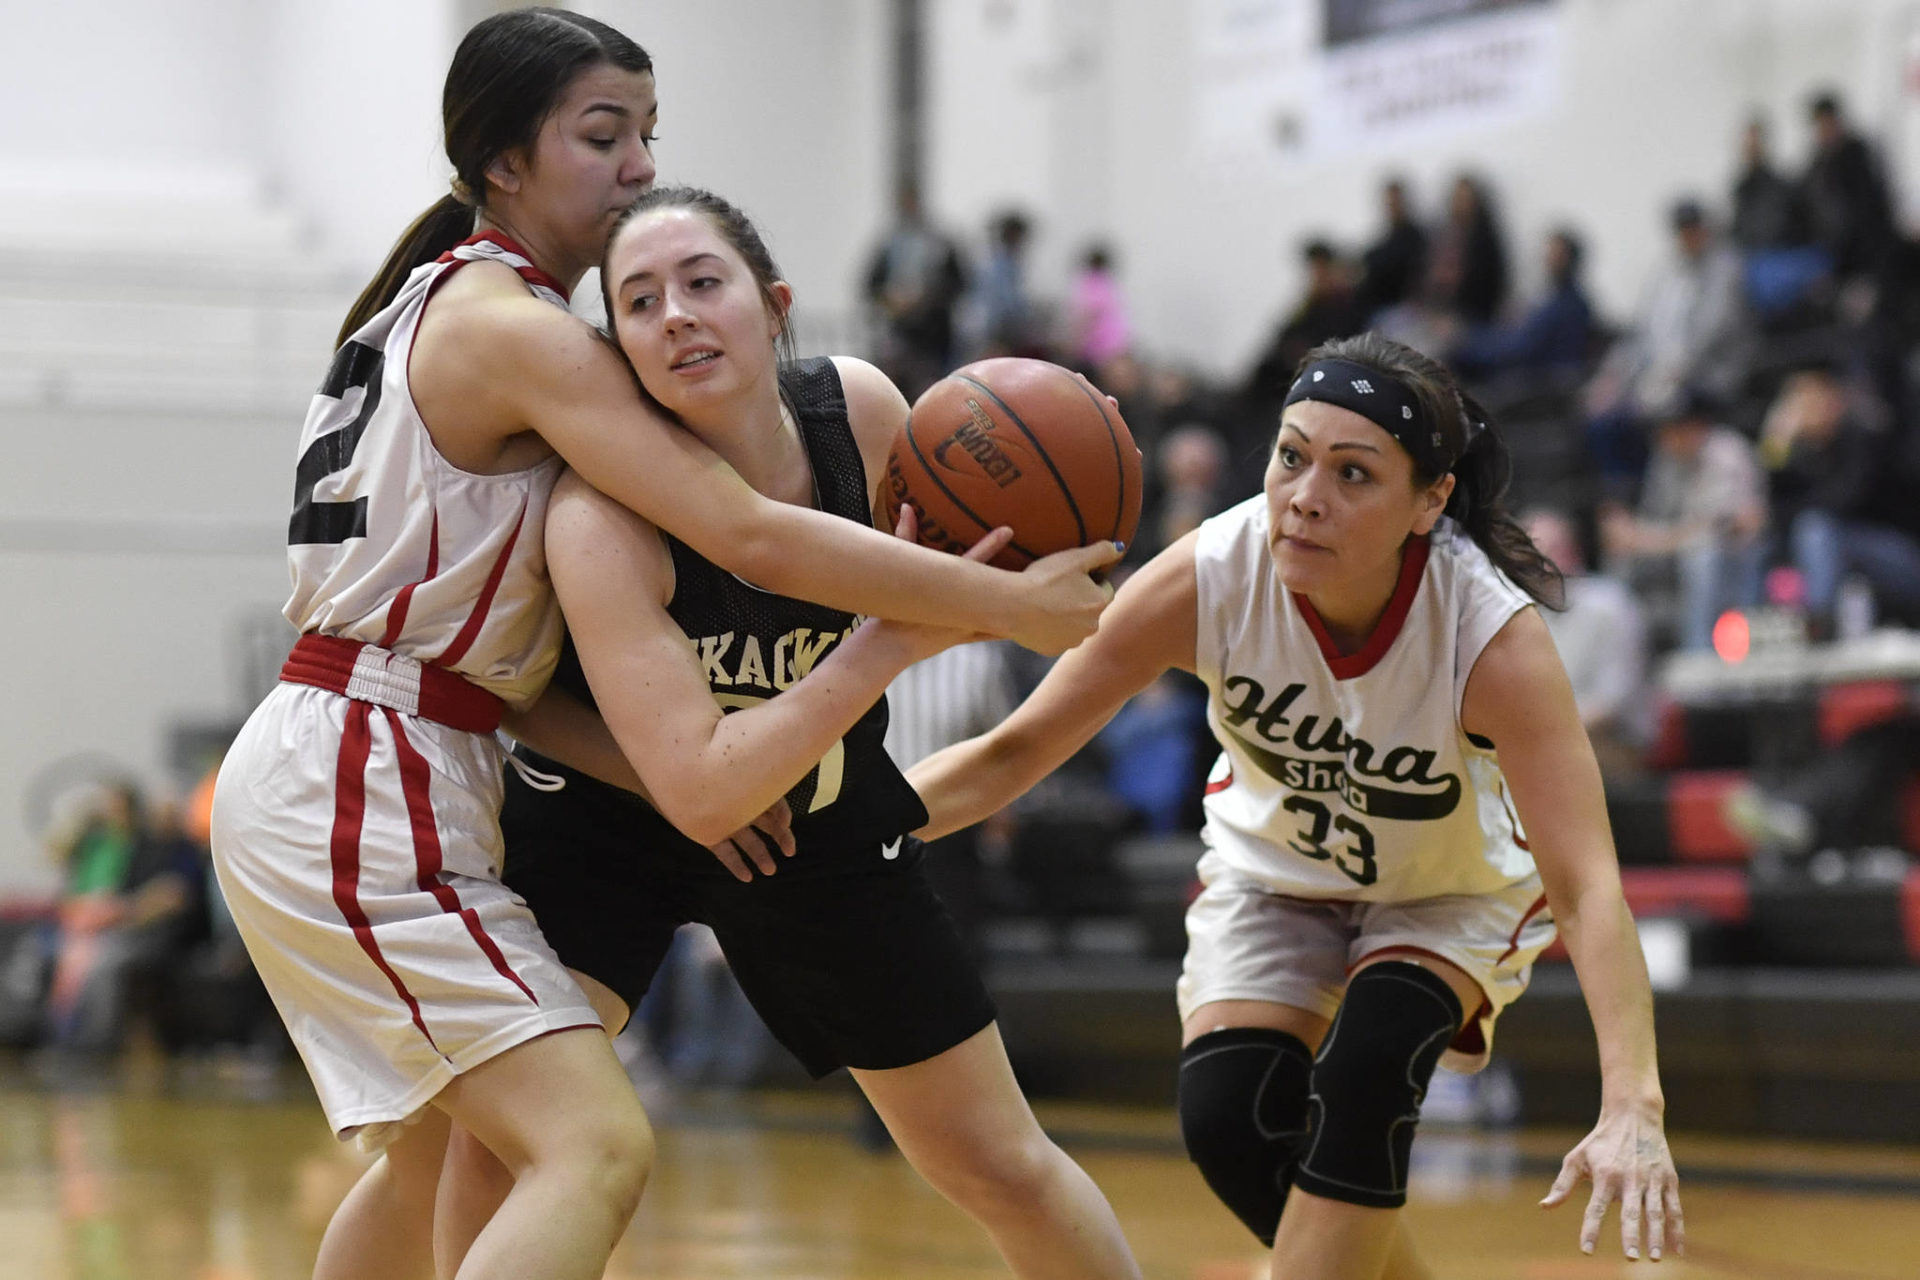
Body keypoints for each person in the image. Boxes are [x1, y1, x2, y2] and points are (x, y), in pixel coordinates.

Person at [208, 12, 1111, 1280]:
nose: (637, 162)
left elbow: (496, 680)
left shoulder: (455, 307)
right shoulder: (526, 335)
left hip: (429, 742)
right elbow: (752, 534)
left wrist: (684, 767)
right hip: (378, 766)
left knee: (434, 1156)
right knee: (581, 1150)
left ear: (772, 304)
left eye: (647, 136)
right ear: (502, 160)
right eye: (602, 134)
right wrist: (1002, 606)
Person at [910, 332, 1684, 1276]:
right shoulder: (1211, 572)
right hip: (1274, 874)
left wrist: (1632, 1104)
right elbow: (1013, 750)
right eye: (1290, 457)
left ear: (1429, 501)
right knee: (1232, 1121)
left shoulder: (1490, 637)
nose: (1305, 496)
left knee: (1371, 1068)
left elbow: (1588, 884)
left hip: (1446, 892)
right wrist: (836, 827)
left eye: (1353, 473)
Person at [484, 186, 1139, 1279]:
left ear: (774, 304)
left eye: (703, 282)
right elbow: (699, 787)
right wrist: (887, 643)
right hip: (609, 814)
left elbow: (967, 578)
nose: (677, 314)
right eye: (639, 302)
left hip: (815, 810)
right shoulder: (596, 514)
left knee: (1000, 1161)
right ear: (619, 353)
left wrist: (1043, 565)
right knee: (506, 1157)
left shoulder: (865, 416)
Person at [1583, 199, 1752, 491]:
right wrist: (1613, 376)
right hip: (1656, 375)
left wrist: (1676, 370)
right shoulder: (1665, 273)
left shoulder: (1726, 267)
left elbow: (1715, 328)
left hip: (1706, 375)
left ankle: (1658, 492)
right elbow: (1640, 331)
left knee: (1661, 410)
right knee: (1603, 419)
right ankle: (1625, 491)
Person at [1602, 390, 1768, 652]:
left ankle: (1698, 652)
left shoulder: (1727, 452)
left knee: (1702, 556)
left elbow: (1714, 528)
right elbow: (1656, 519)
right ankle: (1627, 656)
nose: (1664, 439)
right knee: (1621, 559)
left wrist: (1647, 539)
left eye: (1672, 429)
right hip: (1678, 552)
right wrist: (1630, 533)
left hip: (1736, 558)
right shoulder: (1666, 461)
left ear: (1694, 426)